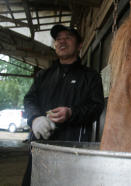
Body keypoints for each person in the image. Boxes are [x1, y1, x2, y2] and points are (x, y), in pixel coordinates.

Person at [21, 24, 104, 186]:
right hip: (41, 146)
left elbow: (96, 107)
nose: (61, 42)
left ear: (80, 45)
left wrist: (71, 113)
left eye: (67, 38)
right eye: (58, 39)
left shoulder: (90, 77)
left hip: (72, 149)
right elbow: (29, 99)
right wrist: (35, 118)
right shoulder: (43, 75)